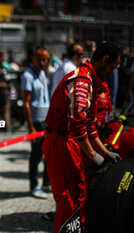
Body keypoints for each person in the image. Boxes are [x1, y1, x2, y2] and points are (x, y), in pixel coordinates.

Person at [42, 41, 122, 233]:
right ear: (105, 60)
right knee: (68, 201)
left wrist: (104, 152)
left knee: (79, 195)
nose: (113, 71)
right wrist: (93, 154)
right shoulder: (81, 80)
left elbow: (89, 124)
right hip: (61, 143)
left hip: (73, 142)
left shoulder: (90, 79)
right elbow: (77, 125)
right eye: (114, 67)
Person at [21, 46, 51, 199]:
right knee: (36, 156)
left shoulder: (42, 74)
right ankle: (33, 186)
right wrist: (31, 126)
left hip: (46, 120)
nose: (42, 62)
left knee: (48, 154)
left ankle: (46, 183)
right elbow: (26, 102)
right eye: (39, 59)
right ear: (33, 58)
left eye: (45, 59)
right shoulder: (28, 75)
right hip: (36, 122)